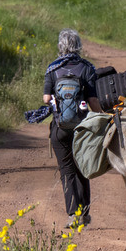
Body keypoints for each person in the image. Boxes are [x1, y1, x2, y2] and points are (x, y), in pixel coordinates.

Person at [42, 28, 100, 226]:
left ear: (61, 45)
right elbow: (92, 99)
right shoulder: (87, 68)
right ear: (78, 45)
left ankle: (71, 214)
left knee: (66, 170)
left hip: (59, 128)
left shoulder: (52, 68)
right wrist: (102, 116)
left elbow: (46, 98)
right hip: (82, 127)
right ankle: (84, 214)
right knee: (82, 168)